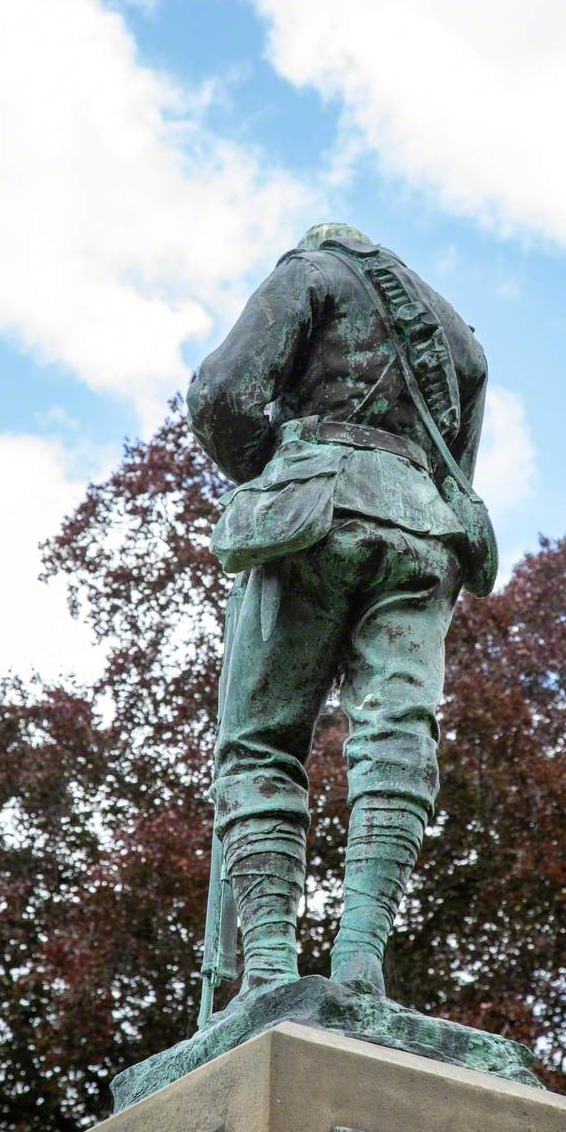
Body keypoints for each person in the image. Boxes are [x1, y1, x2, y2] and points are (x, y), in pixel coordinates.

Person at [187, 222, 494, 999]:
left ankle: (265, 968)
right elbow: (460, 465)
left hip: (317, 515)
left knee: (259, 745)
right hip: (423, 531)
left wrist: (273, 472)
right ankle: (362, 957)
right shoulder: (462, 339)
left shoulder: (311, 273)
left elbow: (222, 394)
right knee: (398, 731)